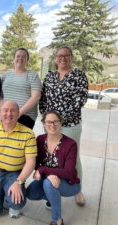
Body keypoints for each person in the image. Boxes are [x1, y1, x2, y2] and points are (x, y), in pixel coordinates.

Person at [39, 46, 88, 206]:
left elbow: (80, 100)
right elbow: (44, 99)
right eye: (60, 55)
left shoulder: (78, 75)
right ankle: (50, 191)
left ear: (71, 57)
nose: (63, 58)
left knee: (72, 158)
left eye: (66, 55)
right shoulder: (50, 76)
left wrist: (59, 120)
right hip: (50, 125)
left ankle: (77, 189)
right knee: (50, 157)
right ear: (55, 58)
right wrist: (47, 119)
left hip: (70, 124)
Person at [0, 100, 37, 218]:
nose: (9, 114)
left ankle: (10, 196)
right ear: (0, 113)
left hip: (14, 174)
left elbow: (31, 162)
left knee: (17, 203)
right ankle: (2, 192)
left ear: (18, 113)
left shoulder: (28, 134)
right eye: (5, 110)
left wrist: (18, 182)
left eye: (13, 111)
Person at [26, 111, 81, 225]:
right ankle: (53, 197)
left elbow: (68, 172)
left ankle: (57, 220)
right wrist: (48, 174)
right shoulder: (40, 140)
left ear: (61, 123)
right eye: (49, 122)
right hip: (49, 178)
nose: (52, 125)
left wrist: (44, 170)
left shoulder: (70, 144)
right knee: (31, 193)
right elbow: (35, 162)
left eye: (56, 121)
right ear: (43, 123)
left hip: (70, 184)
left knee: (48, 184)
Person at [1, 48, 42, 129]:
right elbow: (0, 95)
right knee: (6, 141)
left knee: (20, 141)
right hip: (7, 116)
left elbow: (36, 97)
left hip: (26, 116)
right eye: (18, 56)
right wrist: (2, 110)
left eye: (24, 57)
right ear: (14, 59)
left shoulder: (33, 75)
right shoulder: (6, 75)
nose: (20, 58)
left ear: (27, 60)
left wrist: (18, 113)